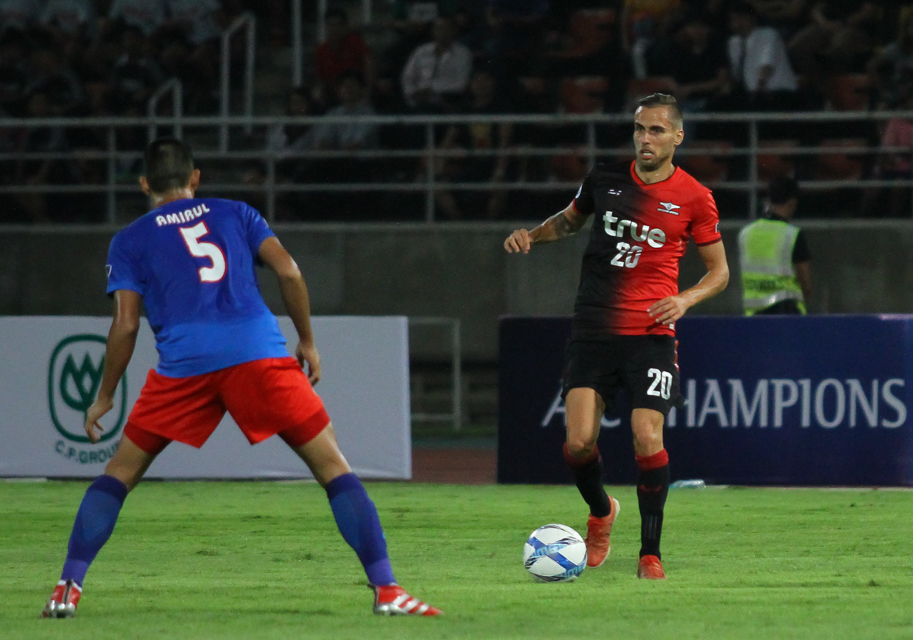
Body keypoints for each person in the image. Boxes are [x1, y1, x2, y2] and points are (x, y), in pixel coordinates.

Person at [41, 137, 442, 618]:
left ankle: (66, 588)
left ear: (144, 183)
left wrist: (105, 395)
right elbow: (288, 271)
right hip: (256, 354)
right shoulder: (237, 213)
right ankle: (387, 590)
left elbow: (126, 324)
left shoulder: (129, 240)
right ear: (195, 178)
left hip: (185, 365)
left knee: (119, 474)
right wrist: (307, 340)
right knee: (334, 468)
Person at [503, 93, 729, 580]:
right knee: (579, 443)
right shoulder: (604, 179)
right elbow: (568, 221)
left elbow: (720, 272)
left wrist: (685, 299)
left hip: (651, 333)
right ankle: (602, 511)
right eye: (640, 129)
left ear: (677, 136)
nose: (645, 139)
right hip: (594, 328)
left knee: (647, 436)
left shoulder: (694, 196)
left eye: (656, 130)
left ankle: (650, 554)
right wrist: (532, 235)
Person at [737, 176, 812, 315]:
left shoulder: (745, 233)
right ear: (792, 203)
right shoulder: (792, 234)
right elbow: (805, 280)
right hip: (786, 312)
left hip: (753, 315)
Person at [400, 15, 472, 112]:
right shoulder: (421, 51)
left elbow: (462, 82)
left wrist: (433, 91)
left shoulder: (463, 53)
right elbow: (407, 76)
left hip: (448, 97)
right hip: (419, 97)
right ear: (433, 31)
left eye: (446, 28)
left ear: (454, 31)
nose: (443, 32)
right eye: (439, 28)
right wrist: (413, 92)